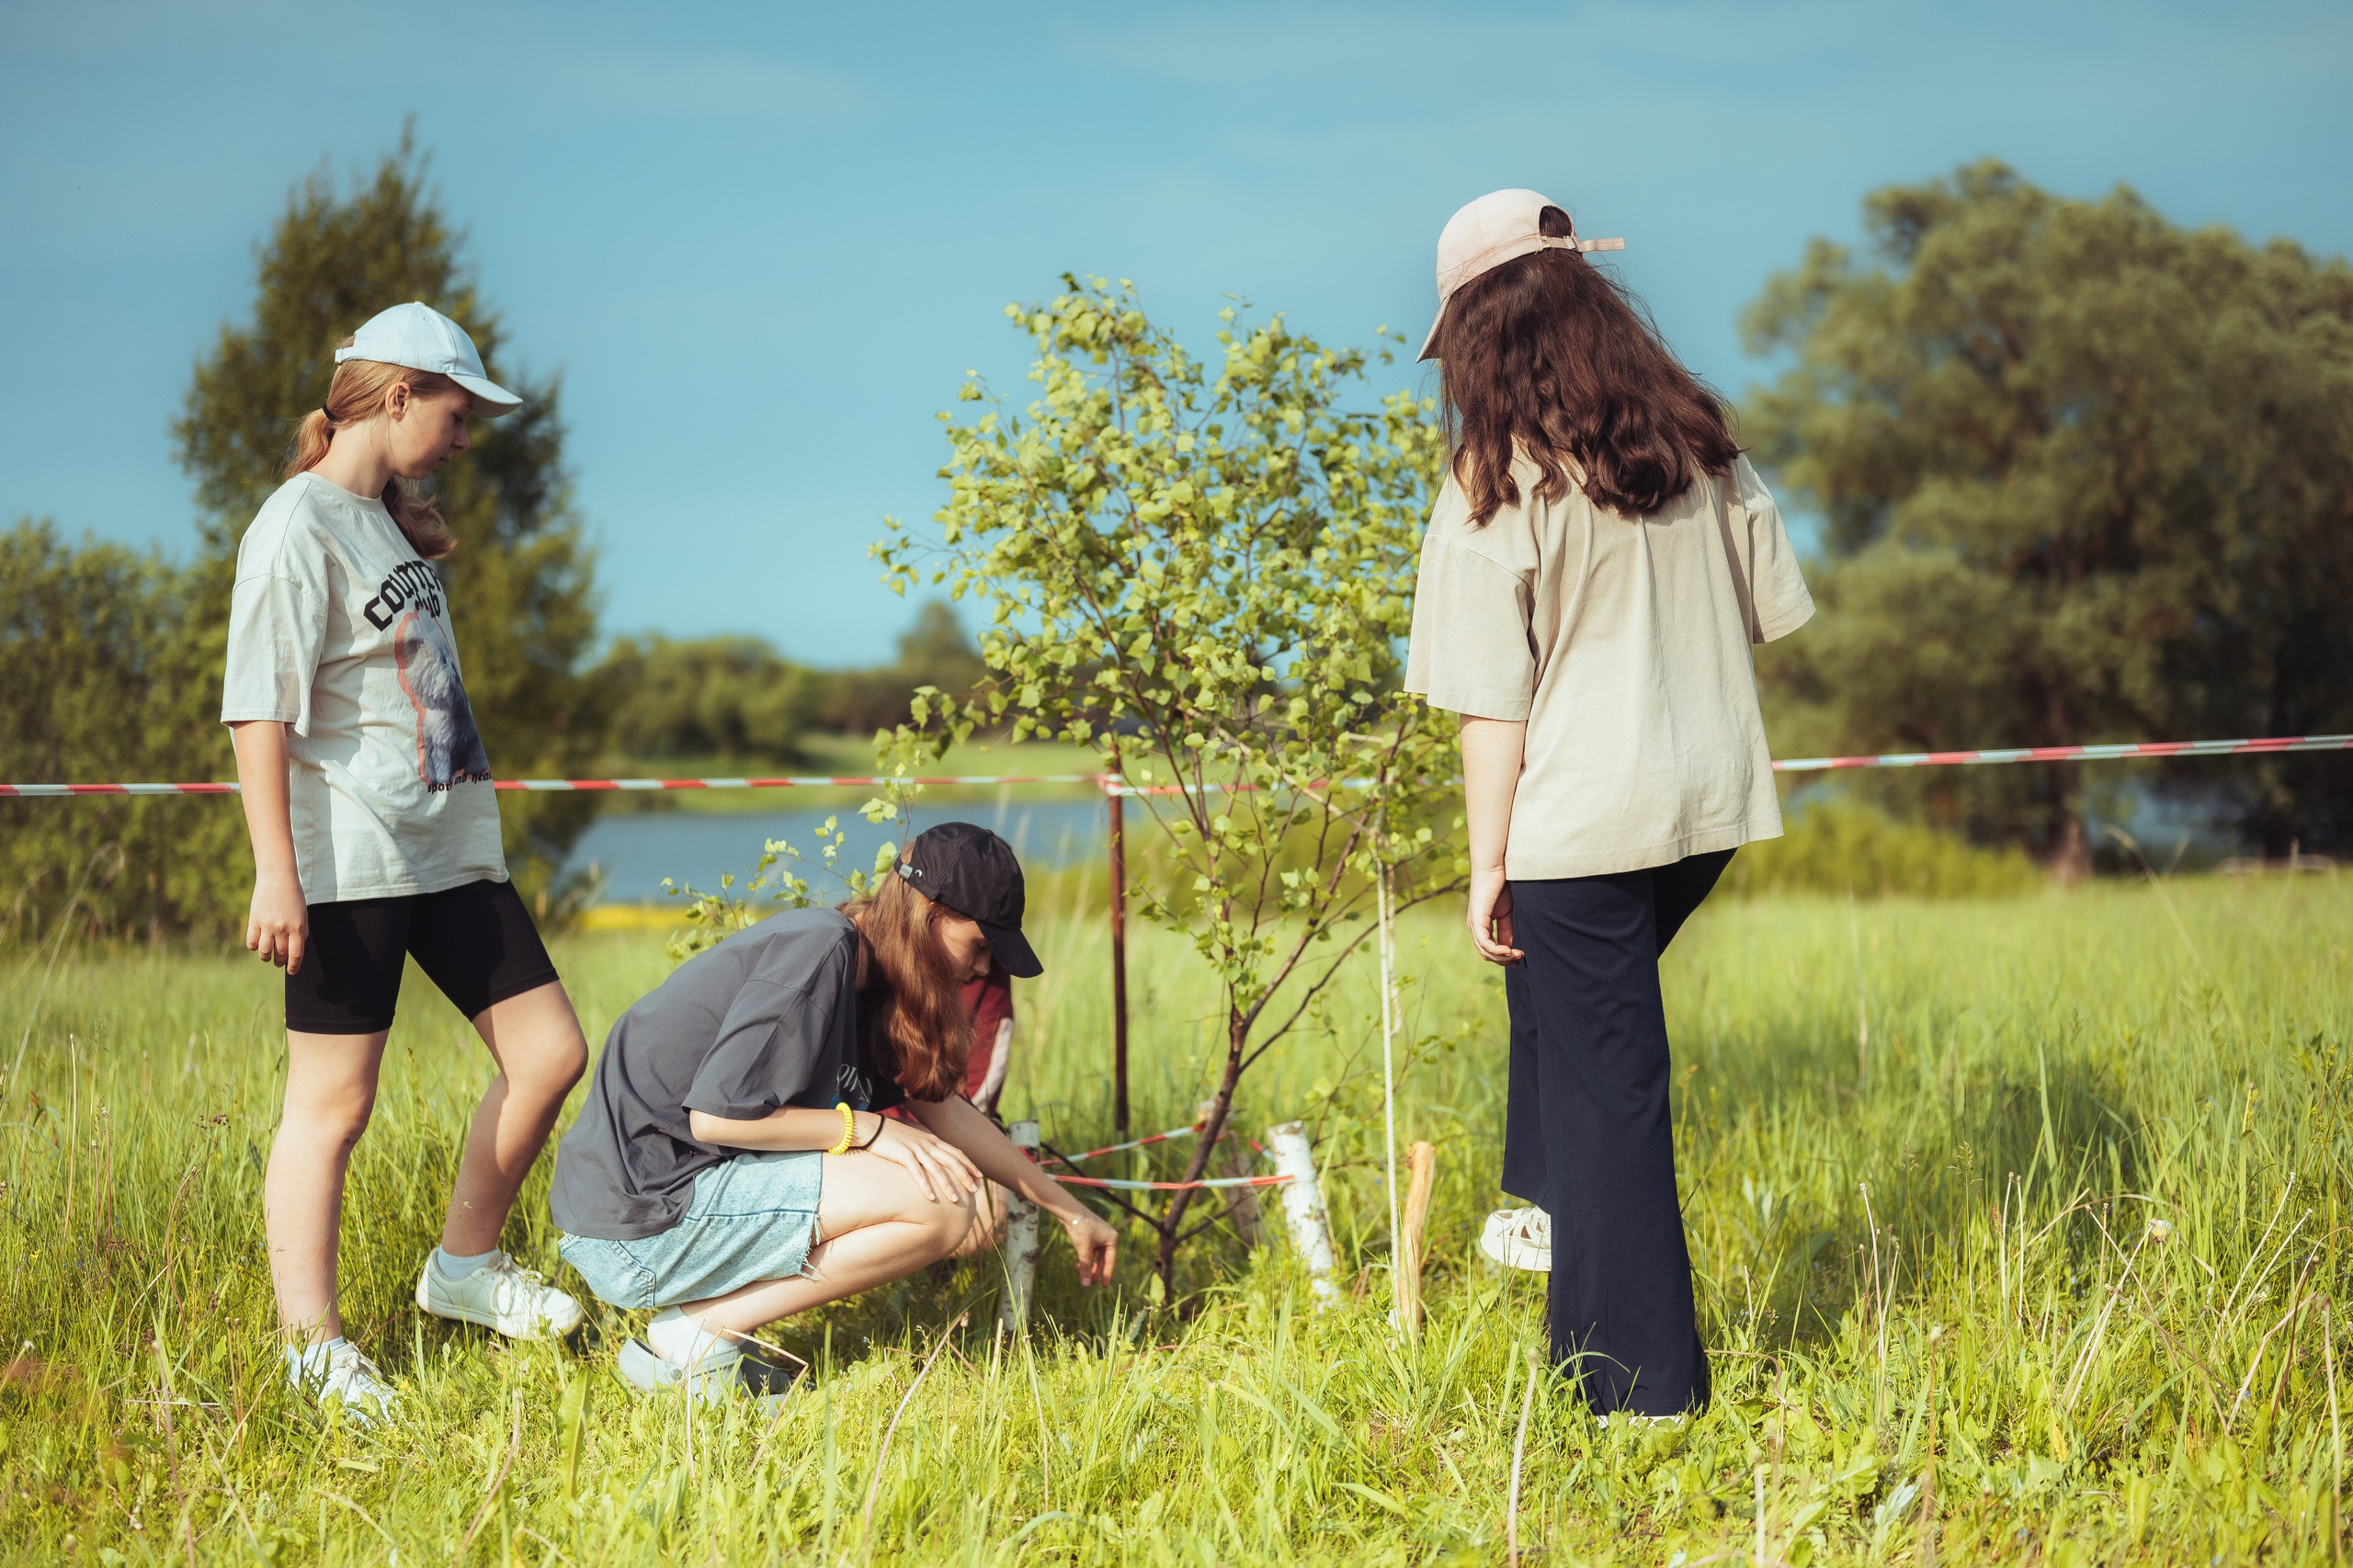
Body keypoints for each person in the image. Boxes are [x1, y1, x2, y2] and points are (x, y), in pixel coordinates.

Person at [1404, 190, 1813, 1419]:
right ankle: (1573, 1315)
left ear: (1478, 332)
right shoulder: (1698, 441)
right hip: (1707, 813)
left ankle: (1641, 1391)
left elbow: (1494, 707)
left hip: (1578, 825)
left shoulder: (1495, 476)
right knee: (1581, 1053)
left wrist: (1488, 867)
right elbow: (1768, 617)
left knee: (1613, 1087)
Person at [222, 302, 591, 1422]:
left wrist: (410, 523)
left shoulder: (379, 518)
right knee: (332, 1107)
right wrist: (274, 872)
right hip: (352, 859)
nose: (467, 435)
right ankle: (312, 1345)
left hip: (450, 852)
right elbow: (258, 712)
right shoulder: (294, 527)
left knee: (550, 1053)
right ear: (397, 397)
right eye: (457, 410)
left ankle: (463, 1270)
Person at [549, 823, 1118, 1401]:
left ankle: (705, 1333)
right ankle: (697, 1334)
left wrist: (1072, 1213)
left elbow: (954, 1116)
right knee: (942, 1201)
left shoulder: (881, 980)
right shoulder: (821, 948)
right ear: (930, 913)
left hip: (669, 1201)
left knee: (943, 1189)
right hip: (636, 1218)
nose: (980, 971)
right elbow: (717, 1119)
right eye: (979, 947)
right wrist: (868, 1130)